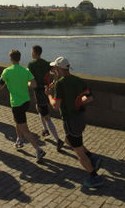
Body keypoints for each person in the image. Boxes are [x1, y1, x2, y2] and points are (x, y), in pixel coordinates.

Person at [45, 56, 103, 188]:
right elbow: (90, 97)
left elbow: (56, 106)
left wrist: (48, 94)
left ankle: (94, 176)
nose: (53, 70)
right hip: (80, 117)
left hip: (70, 120)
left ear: (59, 69)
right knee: (68, 141)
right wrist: (77, 102)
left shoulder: (60, 84)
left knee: (78, 151)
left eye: (54, 68)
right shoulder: (78, 80)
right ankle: (93, 157)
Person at [0, 49, 45, 163]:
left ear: (10, 59)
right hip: (26, 101)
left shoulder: (7, 71)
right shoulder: (25, 70)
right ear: (19, 58)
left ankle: (38, 150)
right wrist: (25, 83)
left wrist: (8, 84)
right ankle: (19, 140)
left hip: (16, 103)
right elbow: (33, 84)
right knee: (18, 121)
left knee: (25, 129)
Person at [28, 45, 63, 151]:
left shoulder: (31, 64)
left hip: (39, 91)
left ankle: (58, 140)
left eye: (31, 51)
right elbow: (57, 72)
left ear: (34, 53)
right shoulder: (46, 63)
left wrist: (29, 84)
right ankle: (45, 130)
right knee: (38, 108)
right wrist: (53, 82)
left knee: (46, 116)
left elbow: (29, 79)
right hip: (46, 90)